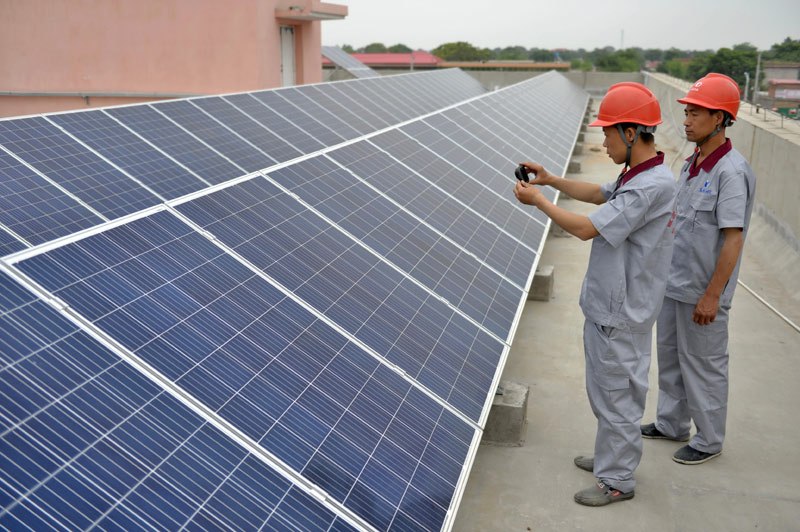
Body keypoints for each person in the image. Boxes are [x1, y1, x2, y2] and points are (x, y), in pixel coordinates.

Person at [514, 82, 676, 506]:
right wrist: (550, 180)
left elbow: (586, 228)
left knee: (618, 396)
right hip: (611, 306)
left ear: (631, 131)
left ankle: (618, 479)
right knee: (606, 391)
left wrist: (540, 203)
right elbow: (594, 193)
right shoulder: (637, 174)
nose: (602, 140)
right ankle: (611, 457)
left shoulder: (650, 186)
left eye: (608, 132)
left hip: (621, 312)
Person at [641, 73, 757, 465]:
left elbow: (733, 238)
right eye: (687, 112)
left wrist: (713, 295)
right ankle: (672, 424)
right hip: (675, 283)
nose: (687, 120)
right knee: (671, 357)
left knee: (704, 366)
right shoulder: (693, 163)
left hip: (703, 292)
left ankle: (709, 440)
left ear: (721, 119)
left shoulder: (731, 172)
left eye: (696, 113)